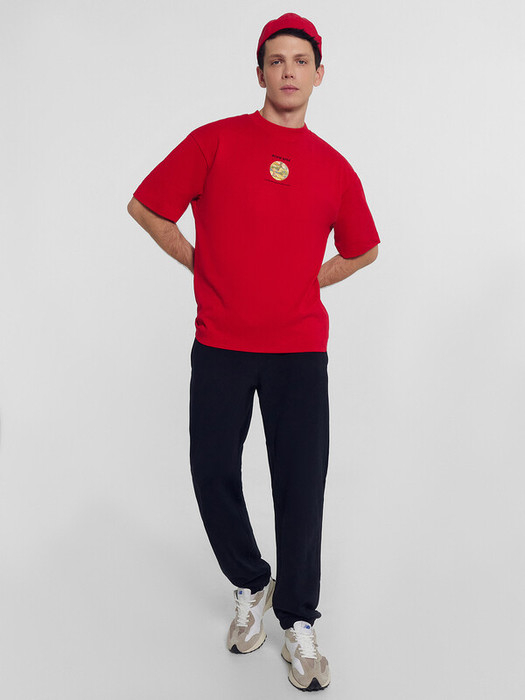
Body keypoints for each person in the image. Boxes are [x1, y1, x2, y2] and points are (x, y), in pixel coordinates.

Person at [127, 12, 380, 692]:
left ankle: (298, 620)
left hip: (299, 349)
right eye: (276, 60)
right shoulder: (215, 142)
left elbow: (363, 248)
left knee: (300, 484)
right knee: (211, 470)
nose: (288, 71)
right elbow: (147, 206)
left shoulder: (333, 167)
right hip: (221, 342)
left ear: (319, 75)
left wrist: (307, 280)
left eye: (300, 61)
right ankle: (250, 581)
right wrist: (200, 263)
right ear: (260, 72)